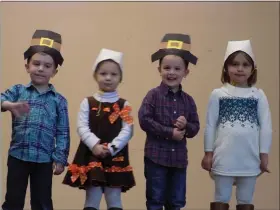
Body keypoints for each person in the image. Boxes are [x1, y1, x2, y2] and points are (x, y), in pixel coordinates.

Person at [1, 29, 70, 210]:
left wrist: (60, 158)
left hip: (44, 160)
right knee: (13, 201)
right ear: (27, 67)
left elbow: (62, 132)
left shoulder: (59, 101)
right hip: (18, 157)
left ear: (54, 71)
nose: (41, 68)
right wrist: (8, 105)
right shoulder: (17, 91)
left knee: (42, 203)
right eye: (36, 63)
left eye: (47, 66)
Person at [201, 40, 272, 210]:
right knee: (221, 197)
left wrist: (264, 154)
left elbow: (266, 126)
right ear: (226, 68)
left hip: (250, 157)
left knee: (245, 200)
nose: (240, 69)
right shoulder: (218, 94)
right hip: (224, 156)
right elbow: (210, 125)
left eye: (245, 65)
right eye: (235, 64)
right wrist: (208, 153)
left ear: (252, 69)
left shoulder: (258, 95)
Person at [63, 48, 135, 210]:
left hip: (115, 157)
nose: (108, 78)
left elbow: (128, 130)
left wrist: (113, 147)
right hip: (92, 155)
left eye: (113, 74)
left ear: (120, 78)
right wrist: (94, 145)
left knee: (114, 198)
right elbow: (82, 127)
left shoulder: (125, 105)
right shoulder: (87, 102)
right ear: (95, 75)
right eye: (103, 73)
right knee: (92, 198)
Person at [138, 33, 200, 210]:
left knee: (177, 202)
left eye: (177, 69)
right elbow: (144, 120)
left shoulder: (188, 101)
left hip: (179, 161)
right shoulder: (153, 95)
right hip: (156, 159)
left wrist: (186, 126)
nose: (171, 72)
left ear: (185, 72)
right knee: (155, 200)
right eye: (166, 68)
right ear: (159, 70)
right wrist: (169, 132)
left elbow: (195, 128)